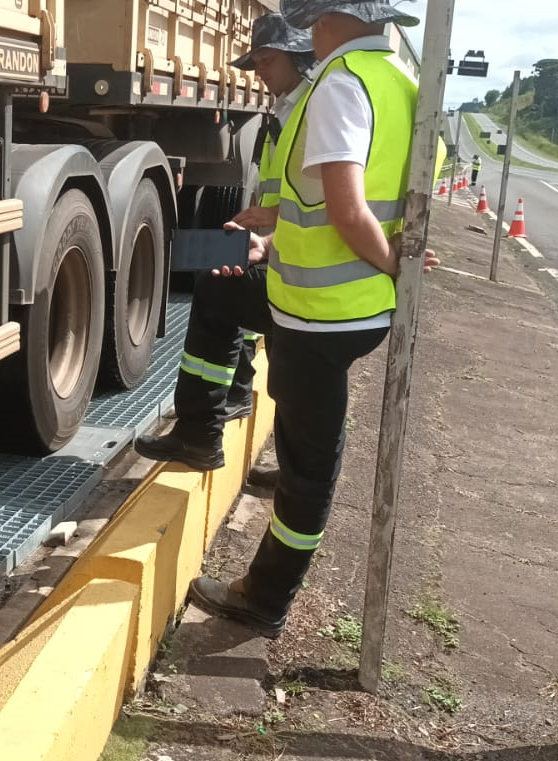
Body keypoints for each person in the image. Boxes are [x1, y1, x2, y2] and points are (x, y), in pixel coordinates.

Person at [185, 0, 438, 638]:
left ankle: (264, 598)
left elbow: (348, 212)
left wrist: (391, 266)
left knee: (309, 464)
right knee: (315, 444)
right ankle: (267, 584)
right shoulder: (402, 84)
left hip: (319, 309)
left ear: (324, 19)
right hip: (354, 307)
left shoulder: (340, 86)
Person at [134, 12, 316, 481]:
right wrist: (263, 226)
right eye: (254, 62)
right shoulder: (287, 108)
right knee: (286, 362)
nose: (259, 72)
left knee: (218, 295)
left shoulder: (310, 110)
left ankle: (201, 432)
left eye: (267, 60)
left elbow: (326, 197)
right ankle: (238, 401)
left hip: (302, 258)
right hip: (286, 250)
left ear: (297, 57)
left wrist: (272, 230)